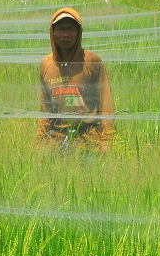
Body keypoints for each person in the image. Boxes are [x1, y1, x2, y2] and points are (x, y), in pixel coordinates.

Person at [38, 8, 115, 152]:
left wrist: (106, 142)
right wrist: (41, 142)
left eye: (71, 29)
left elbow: (106, 106)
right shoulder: (46, 65)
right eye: (61, 29)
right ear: (52, 33)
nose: (66, 34)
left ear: (79, 33)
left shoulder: (92, 62)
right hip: (55, 141)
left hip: (88, 141)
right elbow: (45, 111)